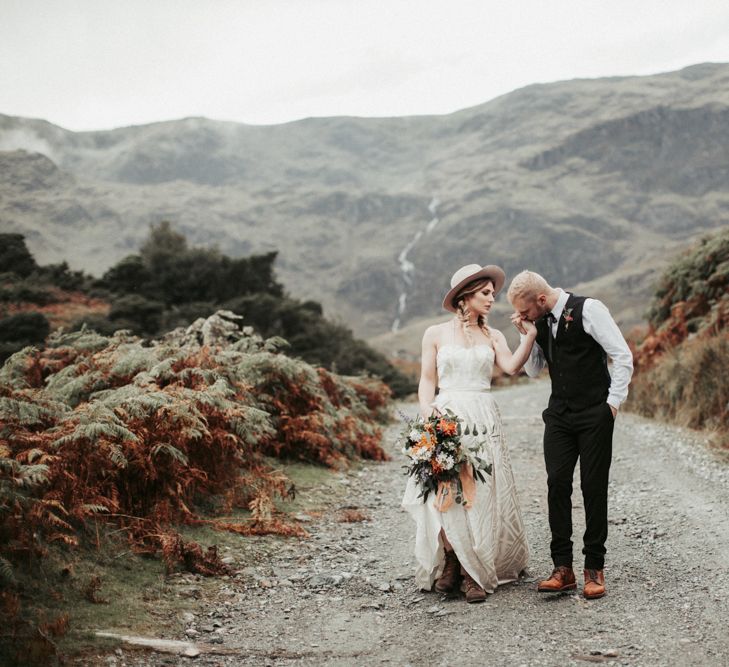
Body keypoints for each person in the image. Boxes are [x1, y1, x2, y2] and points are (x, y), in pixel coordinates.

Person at [402, 264, 534, 603]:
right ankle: (452, 561)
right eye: (485, 293)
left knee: (481, 493)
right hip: (446, 415)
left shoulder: (494, 336)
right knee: (445, 492)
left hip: (482, 416)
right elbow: (427, 379)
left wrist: (529, 336)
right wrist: (426, 410)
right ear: (465, 296)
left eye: (493, 293)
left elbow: (510, 367)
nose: (492, 299)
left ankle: (474, 571)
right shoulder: (434, 333)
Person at [507, 270, 633, 600]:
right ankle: (562, 568)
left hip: (595, 413)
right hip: (559, 415)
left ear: (542, 300)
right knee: (556, 483)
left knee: (593, 486)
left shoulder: (589, 309)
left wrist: (613, 404)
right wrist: (528, 334)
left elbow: (621, 355)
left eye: (525, 311)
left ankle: (594, 567)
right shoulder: (539, 322)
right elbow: (533, 370)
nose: (522, 316)